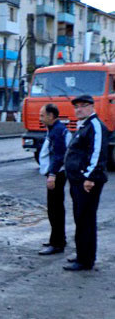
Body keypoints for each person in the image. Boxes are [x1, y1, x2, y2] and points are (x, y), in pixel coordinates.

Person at [63, 95, 109, 271]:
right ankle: (83, 254)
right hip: (77, 180)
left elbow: (97, 153)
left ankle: (85, 260)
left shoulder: (95, 125)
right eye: (76, 107)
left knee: (86, 219)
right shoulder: (84, 125)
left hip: (86, 182)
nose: (78, 109)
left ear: (91, 107)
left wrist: (90, 177)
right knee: (80, 218)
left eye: (83, 106)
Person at [38, 104, 71, 255]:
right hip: (56, 173)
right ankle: (57, 239)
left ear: (51, 116)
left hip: (57, 174)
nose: (40, 118)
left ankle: (57, 244)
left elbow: (59, 155)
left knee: (55, 209)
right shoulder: (55, 128)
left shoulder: (57, 131)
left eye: (42, 115)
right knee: (55, 208)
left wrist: (52, 175)